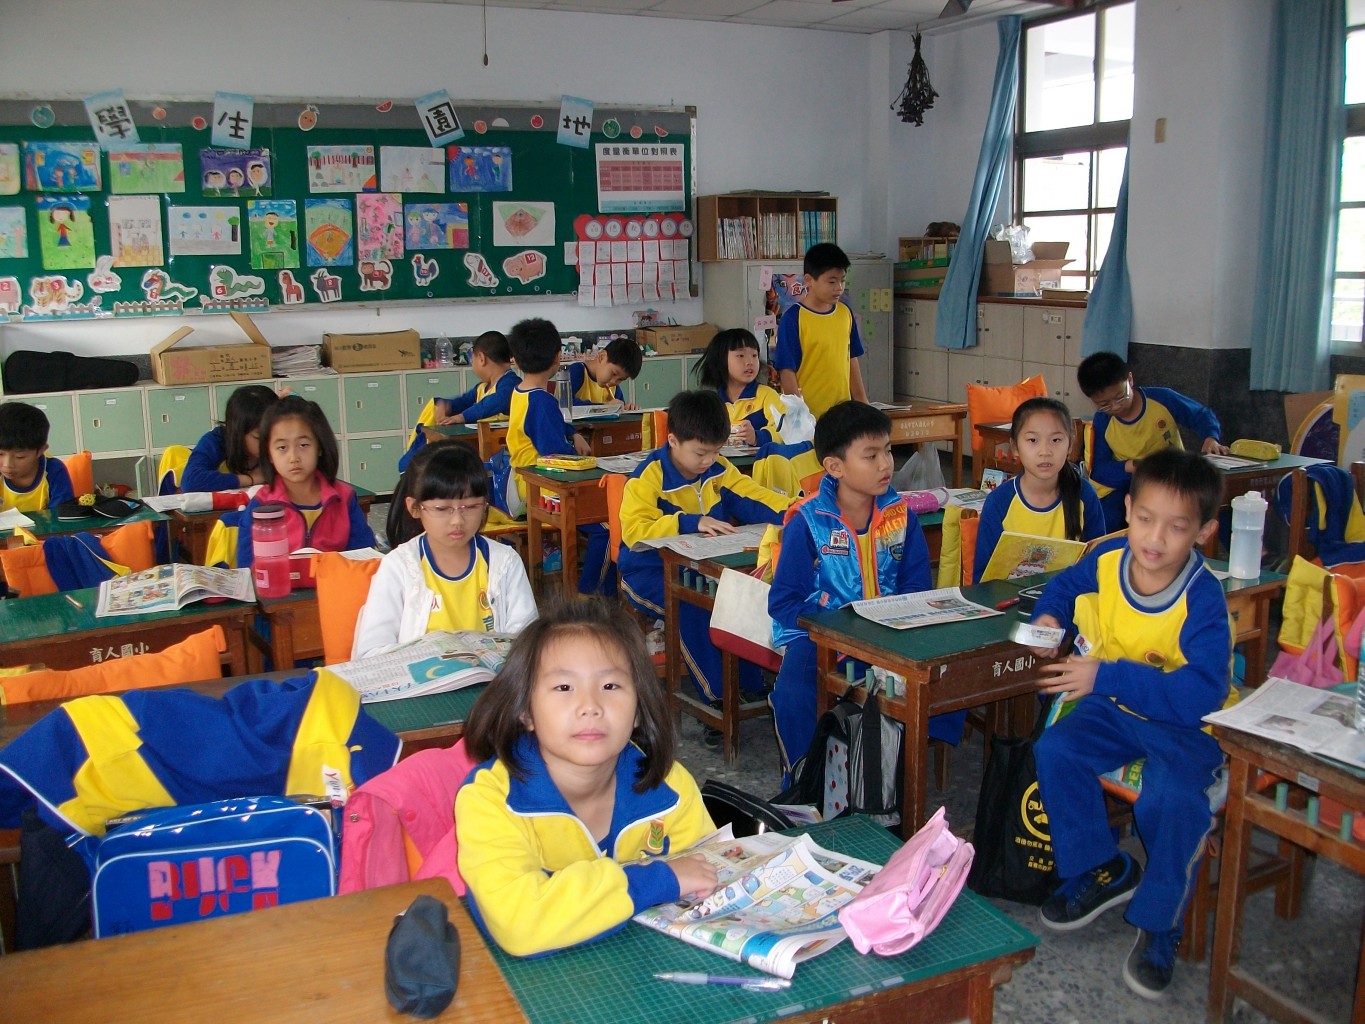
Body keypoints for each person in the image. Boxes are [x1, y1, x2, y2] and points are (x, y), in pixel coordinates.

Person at [1024, 447, 1232, 1000]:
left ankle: (1162, 921)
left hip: (1186, 728)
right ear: (1128, 511)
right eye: (1144, 518)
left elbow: (1201, 695)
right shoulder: (1108, 559)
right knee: (1056, 750)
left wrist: (1106, 676)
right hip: (1115, 710)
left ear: (1204, 532)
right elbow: (1065, 586)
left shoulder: (1202, 598)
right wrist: (1049, 617)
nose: (1154, 538)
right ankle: (1104, 867)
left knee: (1173, 800)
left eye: (1176, 527)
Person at [456, 597, 720, 957]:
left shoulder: (669, 786)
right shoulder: (491, 800)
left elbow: (709, 877)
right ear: (525, 711)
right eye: (564, 688)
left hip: (645, 968)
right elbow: (520, 924)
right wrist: (656, 880)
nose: (591, 706)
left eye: (610, 686)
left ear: (638, 710)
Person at [768, 402, 959, 775]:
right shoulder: (809, 522)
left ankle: (894, 770)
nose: (886, 464)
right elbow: (784, 602)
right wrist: (836, 625)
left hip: (889, 634)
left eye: (887, 450)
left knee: (946, 673)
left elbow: (916, 588)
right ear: (835, 467)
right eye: (871, 456)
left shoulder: (901, 517)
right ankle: (804, 782)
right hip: (819, 638)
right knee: (794, 692)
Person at [619, 390, 791, 729]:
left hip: (704, 569)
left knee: (745, 594)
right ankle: (717, 699)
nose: (709, 460)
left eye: (716, 451)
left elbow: (754, 497)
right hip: (647, 572)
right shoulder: (648, 476)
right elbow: (634, 531)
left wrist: (796, 510)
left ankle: (750, 684)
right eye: (701, 452)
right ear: (673, 440)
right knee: (694, 604)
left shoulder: (718, 469)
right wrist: (688, 522)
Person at [351, 444, 536, 659]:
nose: (457, 520)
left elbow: (527, 642)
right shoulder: (398, 567)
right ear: (414, 508)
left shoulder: (505, 562)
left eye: (471, 507)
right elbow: (371, 651)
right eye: (442, 509)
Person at [506, 318, 609, 594]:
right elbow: (557, 456)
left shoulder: (522, 392)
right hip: (545, 489)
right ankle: (590, 593)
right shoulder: (542, 402)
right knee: (609, 523)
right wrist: (590, 462)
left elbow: (548, 427)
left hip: (529, 482)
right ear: (557, 357)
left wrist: (573, 433)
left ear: (516, 359)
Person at [1077, 351, 1228, 529]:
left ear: (1130, 380)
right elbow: (1099, 470)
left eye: (1120, 397)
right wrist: (1132, 466)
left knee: (1202, 506)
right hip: (1128, 482)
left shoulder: (1162, 399)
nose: (1116, 407)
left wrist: (1211, 438)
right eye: (1104, 404)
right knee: (1109, 518)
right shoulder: (1103, 420)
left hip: (1171, 475)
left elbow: (1200, 415)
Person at [973, 397, 1106, 582]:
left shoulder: (1084, 494)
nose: (1045, 451)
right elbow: (982, 578)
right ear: (1015, 447)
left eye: (1056, 440)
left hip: (1068, 596)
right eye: (1033, 440)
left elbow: (1099, 561)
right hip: (1009, 597)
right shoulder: (999, 502)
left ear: (1070, 444)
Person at [235, 395, 375, 568]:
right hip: (279, 585)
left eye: (303, 445)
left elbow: (364, 559)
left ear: (320, 447)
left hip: (334, 583)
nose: (293, 457)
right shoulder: (261, 506)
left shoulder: (344, 499)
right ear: (269, 455)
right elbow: (248, 569)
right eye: (282, 448)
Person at [773, 243, 867, 419]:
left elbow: (852, 359)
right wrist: (800, 415)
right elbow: (787, 371)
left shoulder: (845, 313)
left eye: (842, 280)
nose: (839, 287)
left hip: (842, 414)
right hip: (810, 416)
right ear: (809, 280)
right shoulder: (793, 318)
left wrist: (863, 404)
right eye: (831, 281)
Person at [694, 327, 785, 446]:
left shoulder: (767, 395)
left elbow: (785, 430)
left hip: (761, 458)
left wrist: (757, 437)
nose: (750, 362)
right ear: (721, 360)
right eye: (741, 356)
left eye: (754, 355)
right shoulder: (713, 403)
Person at [182, 384, 279, 492]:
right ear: (238, 432)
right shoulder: (216, 441)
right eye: (259, 437)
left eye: (275, 435)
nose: (269, 443)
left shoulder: (281, 443)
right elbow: (190, 481)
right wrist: (251, 478)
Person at [0, 401, 73, 512]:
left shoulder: (53, 471)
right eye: (0, 454)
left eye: (20, 457)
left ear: (41, 450)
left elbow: (61, 515)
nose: (7, 465)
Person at [434, 330, 518, 425]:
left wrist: (462, 417)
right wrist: (446, 406)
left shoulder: (512, 384)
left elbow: (495, 402)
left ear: (482, 359)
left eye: (473, 361)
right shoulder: (481, 388)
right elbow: (463, 402)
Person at [567, 335, 642, 410]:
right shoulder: (577, 371)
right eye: (614, 373)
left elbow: (618, 409)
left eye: (620, 379)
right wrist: (603, 407)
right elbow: (564, 405)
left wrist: (626, 409)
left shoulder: (613, 387)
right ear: (602, 357)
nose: (614, 381)